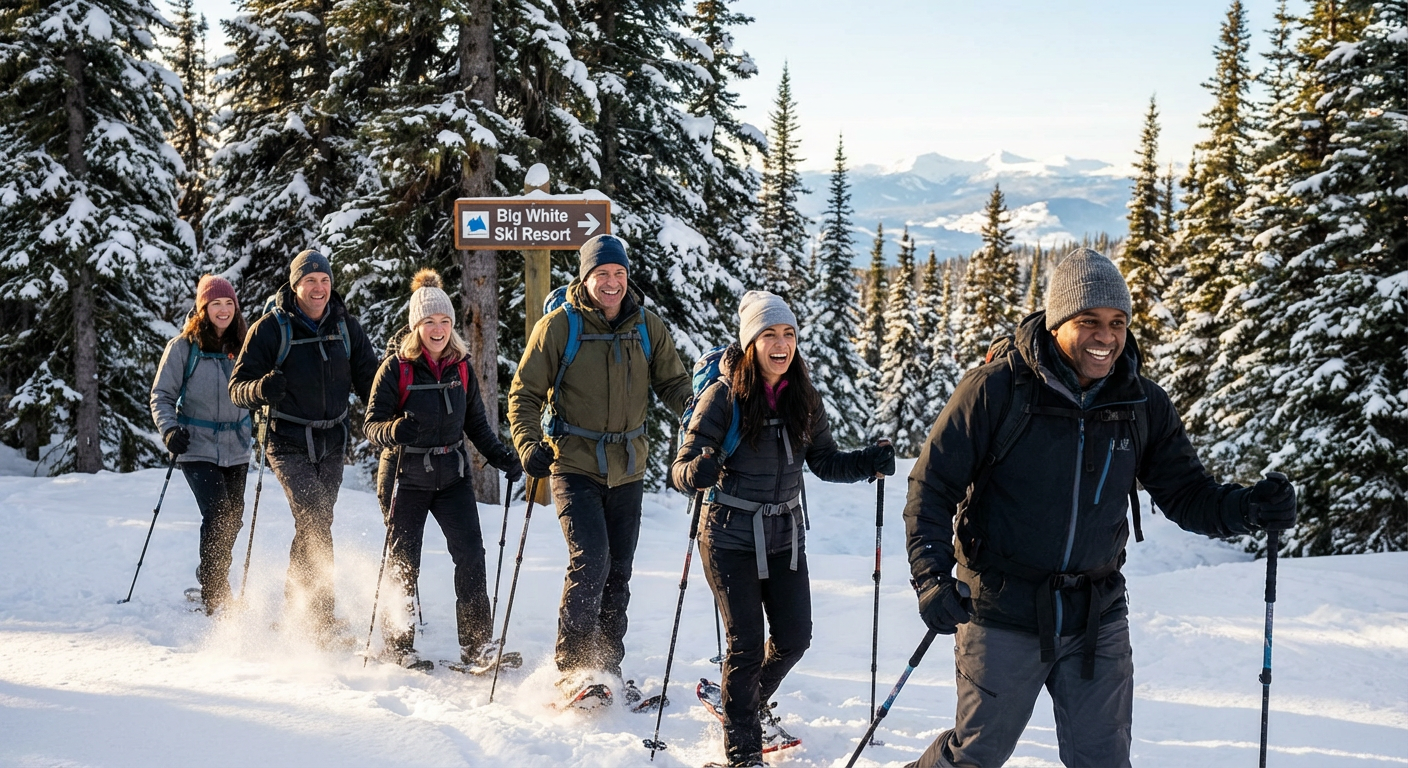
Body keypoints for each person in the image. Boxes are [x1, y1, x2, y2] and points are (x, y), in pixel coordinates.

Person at [901, 248, 1299, 768]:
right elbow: (931, 488)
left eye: (1117, 322)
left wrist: (1248, 508)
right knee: (975, 755)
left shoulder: (1141, 403)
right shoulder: (995, 390)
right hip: (1001, 609)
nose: (1106, 337)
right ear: (1057, 322)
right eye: (1089, 321)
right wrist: (931, 578)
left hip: (1096, 614)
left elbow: (1188, 494)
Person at [672, 290, 895, 768]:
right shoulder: (723, 397)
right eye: (769, 334)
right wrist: (697, 471)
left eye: (788, 333)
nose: (781, 344)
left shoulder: (804, 398)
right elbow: (681, 467)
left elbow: (825, 461)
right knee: (746, 645)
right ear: (750, 343)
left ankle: (743, 702)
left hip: (785, 539)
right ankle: (743, 753)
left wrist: (867, 462)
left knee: (795, 638)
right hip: (728, 537)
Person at [507, 234, 693, 699]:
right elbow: (524, 394)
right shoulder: (559, 326)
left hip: (628, 468)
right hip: (573, 464)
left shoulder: (646, 326)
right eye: (602, 274)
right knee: (591, 561)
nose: (612, 282)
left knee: (619, 571)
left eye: (619, 273)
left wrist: (701, 418)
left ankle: (606, 668)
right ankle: (572, 669)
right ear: (586, 278)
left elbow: (674, 384)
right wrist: (529, 445)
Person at [362, 269, 524, 669]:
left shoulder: (461, 367)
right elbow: (372, 426)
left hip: (452, 476)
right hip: (405, 478)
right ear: (416, 326)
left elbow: (476, 424)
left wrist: (501, 456)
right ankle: (398, 646)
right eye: (429, 322)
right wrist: (394, 430)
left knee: (471, 555)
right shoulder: (396, 368)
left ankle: (477, 646)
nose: (438, 329)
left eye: (444, 321)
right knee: (404, 562)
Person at [229, 249, 379, 644]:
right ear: (295, 285)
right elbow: (237, 388)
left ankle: (298, 609)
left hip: (332, 439)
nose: (318, 288)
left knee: (316, 521)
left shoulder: (346, 327)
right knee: (314, 516)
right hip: (286, 440)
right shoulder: (270, 329)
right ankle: (320, 619)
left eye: (324, 280)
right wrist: (261, 389)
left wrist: (390, 418)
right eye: (310, 280)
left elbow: (371, 381)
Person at [149, 274, 253, 615]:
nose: (223, 310)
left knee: (234, 518)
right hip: (196, 445)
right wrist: (169, 430)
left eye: (228, 303)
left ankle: (210, 571)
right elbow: (161, 395)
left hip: (237, 446)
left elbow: (257, 388)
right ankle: (216, 593)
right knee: (219, 513)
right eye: (215, 304)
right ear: (203, 308)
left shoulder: (246, 345)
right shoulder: (183, 347)